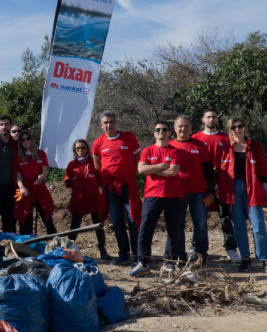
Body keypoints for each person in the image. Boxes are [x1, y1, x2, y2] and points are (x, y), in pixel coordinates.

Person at [129, 121, 185, 277]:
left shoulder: (175, 151)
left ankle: (169, 263)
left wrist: (152, 170)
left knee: (173, 230)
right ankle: (143, 262)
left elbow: (173, 172)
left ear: (169, 133)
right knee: (146, 228)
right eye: (158, 129)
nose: (161, 131)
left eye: (164, 129)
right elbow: (141, 169)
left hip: (173, 195)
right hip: (152, 195)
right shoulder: (148, 150)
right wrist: (161, 166)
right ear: (154, 133)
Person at [220, 117, 267, 274]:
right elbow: (220, 171)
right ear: (230, 130)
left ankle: (265, 260)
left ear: (245, 127)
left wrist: (265, 188)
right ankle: (245, 258)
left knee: (258, 226)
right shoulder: (225, 148)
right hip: (233, 189)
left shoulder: (255, 146)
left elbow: (263, 168)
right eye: (233, 127)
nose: (237, 129)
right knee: (238, 225)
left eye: (240, 126)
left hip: (252, 187)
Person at [92, 110, 142, 265]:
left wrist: (129, 172)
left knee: (133, 218)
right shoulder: (98, 142)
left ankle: (138, 254)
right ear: (101, 125)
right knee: (117, 220)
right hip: (111, 186)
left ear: (116, 122)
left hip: (128, 183)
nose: (109, 125)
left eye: (111, 122)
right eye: (105, 123)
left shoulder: (129, 137)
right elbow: (97, 165)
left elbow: (137, 158)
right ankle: (123, 254)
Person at [165, 115, 216, 265]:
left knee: (200, 224)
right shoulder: (169, 146)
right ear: (174, 129)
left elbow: (208, 171)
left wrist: (211, 191)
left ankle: (201, 255)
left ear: (191, 128)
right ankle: (178, 255)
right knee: (177, 225)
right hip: (176, 193)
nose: (183, 129)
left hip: (198, 192)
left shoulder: (200, 146)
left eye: (186, 126)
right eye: (180, 126)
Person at [192, 109, 241, 262]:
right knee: (200, 217)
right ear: (202, 119)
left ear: (217, 119)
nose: (211, 119)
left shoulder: (225, 138)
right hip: (202, 184)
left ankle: (231, 248)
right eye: (208, 117)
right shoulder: (195, 138)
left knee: (225, 216)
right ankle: (196, 247)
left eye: (213, 117)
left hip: (222, 184)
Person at [64, 139, 110, 259]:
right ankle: (69, 253)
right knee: (74, 228)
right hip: (78, 201)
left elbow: (101, 180)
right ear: (75, 150)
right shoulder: (71, 165)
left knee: (98, 227)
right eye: (78, 148)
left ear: (87, 149)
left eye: (83, 148)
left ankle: (103, 251)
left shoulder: (94, 163)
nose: (80, 150)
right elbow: (67, 182)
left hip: (94, 200)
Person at [14, 130, 57, 235]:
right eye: (23, 140)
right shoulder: (18, 156)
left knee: (46, 215)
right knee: (25, 218)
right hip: (25, 189)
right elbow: (18, 175)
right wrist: (22, 187)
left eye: (27, 138)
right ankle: (27, 245)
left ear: (31, 139)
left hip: (39, 188)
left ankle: (55, 241)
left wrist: (41, 177)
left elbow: (44, 171)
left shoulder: (40, 154)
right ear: (20, 142)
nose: (26, 141)